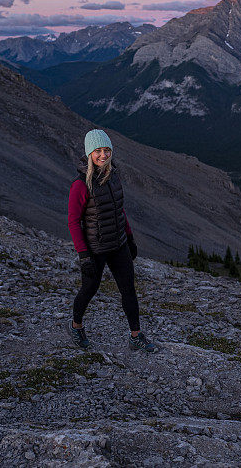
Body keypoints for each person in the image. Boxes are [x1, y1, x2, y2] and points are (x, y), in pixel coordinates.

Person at [67, 129, 158, 352]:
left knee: (128, 289)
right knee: (90, 288)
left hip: (118, 244)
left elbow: (119, 210)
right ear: (89, 153)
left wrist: (129, 237)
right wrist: (83, 255)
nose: (103, 155)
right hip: (95, 248)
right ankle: (76, 326)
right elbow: (73, 221)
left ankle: (135, 335)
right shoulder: (80, 185)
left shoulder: (113, 176)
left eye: (107, 150)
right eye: (98, 151)